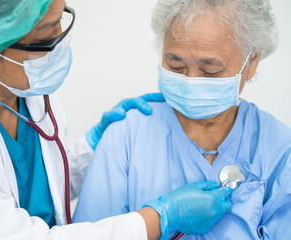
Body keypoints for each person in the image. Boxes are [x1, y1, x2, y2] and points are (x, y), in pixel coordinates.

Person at [0, 0, 235, 239]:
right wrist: (160, 217)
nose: (60, 41)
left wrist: (93, 146)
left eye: (61, 19)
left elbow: (43, 184)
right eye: (44, 37)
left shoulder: (28, 96)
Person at [73, 0, 291, 239]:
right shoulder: (127, 134)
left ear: (251, 62)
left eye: (210, 71)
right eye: (175, 65)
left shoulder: (279, 149)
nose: (190, 80)